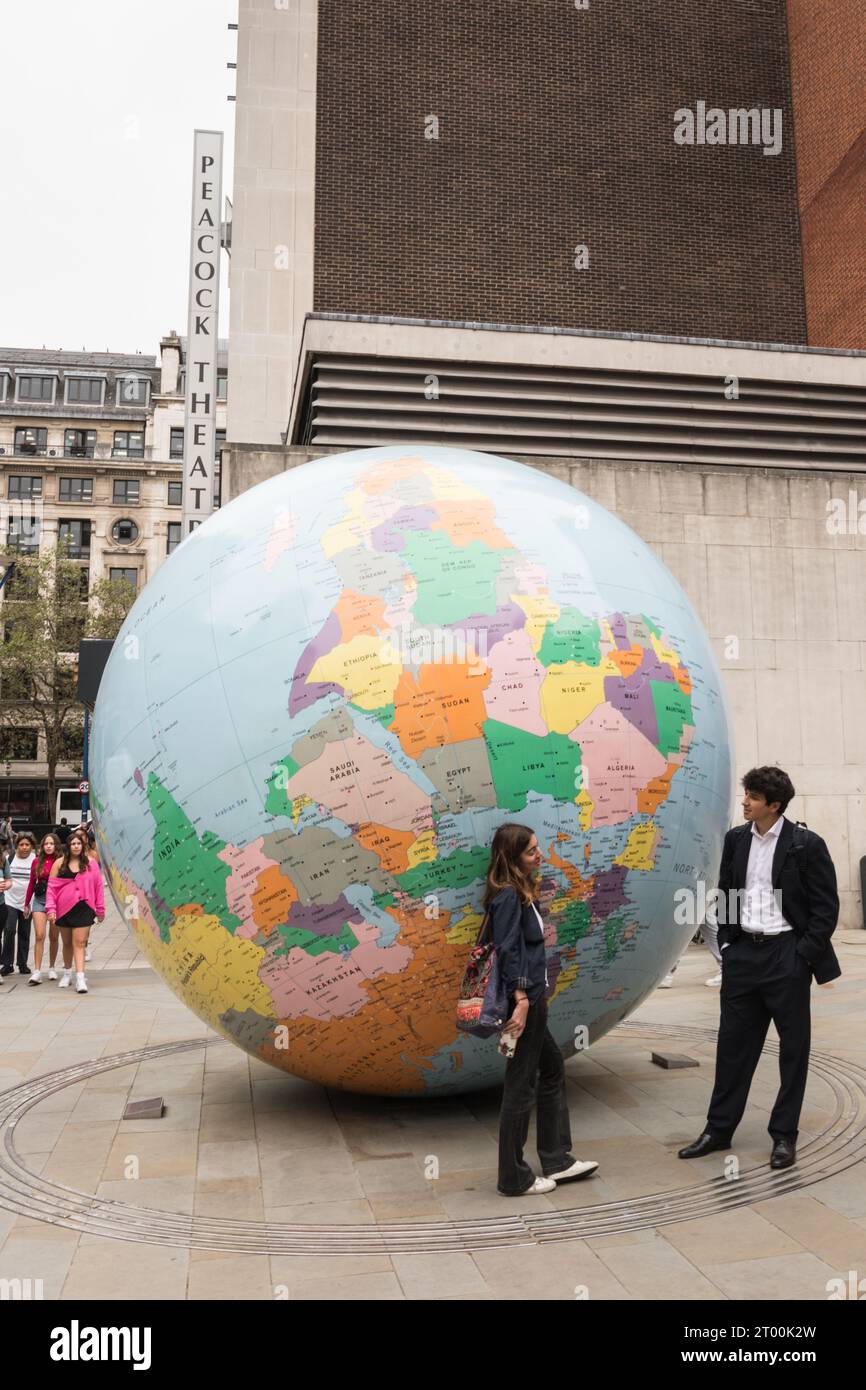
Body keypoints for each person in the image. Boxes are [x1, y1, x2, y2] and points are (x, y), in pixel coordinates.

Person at [679, 766, 841, 1171]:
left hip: (786, 956)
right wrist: (729, 944)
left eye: (752, 796)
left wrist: (803, 954)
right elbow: (729, 889)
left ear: (774, 805)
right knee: (732, 1047)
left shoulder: (806, 844)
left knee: (793, 1051)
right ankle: (718, 1130)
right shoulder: (736, 840)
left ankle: (784, 1136)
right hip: (744, 958)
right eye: (746, 794)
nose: (745, 801)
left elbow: (826, 907)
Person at [486, 822, 599, 1196]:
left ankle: (557, 1159)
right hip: (527, 1003)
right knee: (520, 1086)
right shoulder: (506, 897)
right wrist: (519, 1002)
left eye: (537, 848)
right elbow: (508, 951)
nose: (540, 855)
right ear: (512, 856)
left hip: (535, 998)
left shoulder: (522, 892)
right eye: (531, 851)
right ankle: (513, 1176)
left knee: (551, 1069)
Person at [46, 829, 104, 994]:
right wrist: (51, 909)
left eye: (79, 843)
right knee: (67, 943)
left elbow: (98, 887)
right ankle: (67, 972)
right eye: (73, 844)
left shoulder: (91, 863)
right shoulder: (59, 863)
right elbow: (51, 889)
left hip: (84, 907)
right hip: (63, 909)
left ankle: (80, 978)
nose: (76, 846)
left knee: (79, 943)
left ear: (82, 844)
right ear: (68, 846)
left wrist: (100, 909)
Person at [24, 832, 61, 984]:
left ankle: (52, 967)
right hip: (39, 900)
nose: (49, 846)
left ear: (56, 845)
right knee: (39, 935)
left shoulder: (60, 861)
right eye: (46, 844)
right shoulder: (36, 861)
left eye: (51, 843)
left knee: (54, 936)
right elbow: (32, 883)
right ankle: (37, 971)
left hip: (56, 902)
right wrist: (26, 903)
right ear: (42, 846)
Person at [1, 831, 37, 975]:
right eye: (21, 844)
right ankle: (7, 963)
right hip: (9, 900)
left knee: (24, 932)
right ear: (16, 846)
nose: (24, 847)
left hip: (28, 902)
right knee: (9, 930)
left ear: (32, 846)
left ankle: (22, 963)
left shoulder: (36, 860)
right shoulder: (10, 858)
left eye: (27, 844)